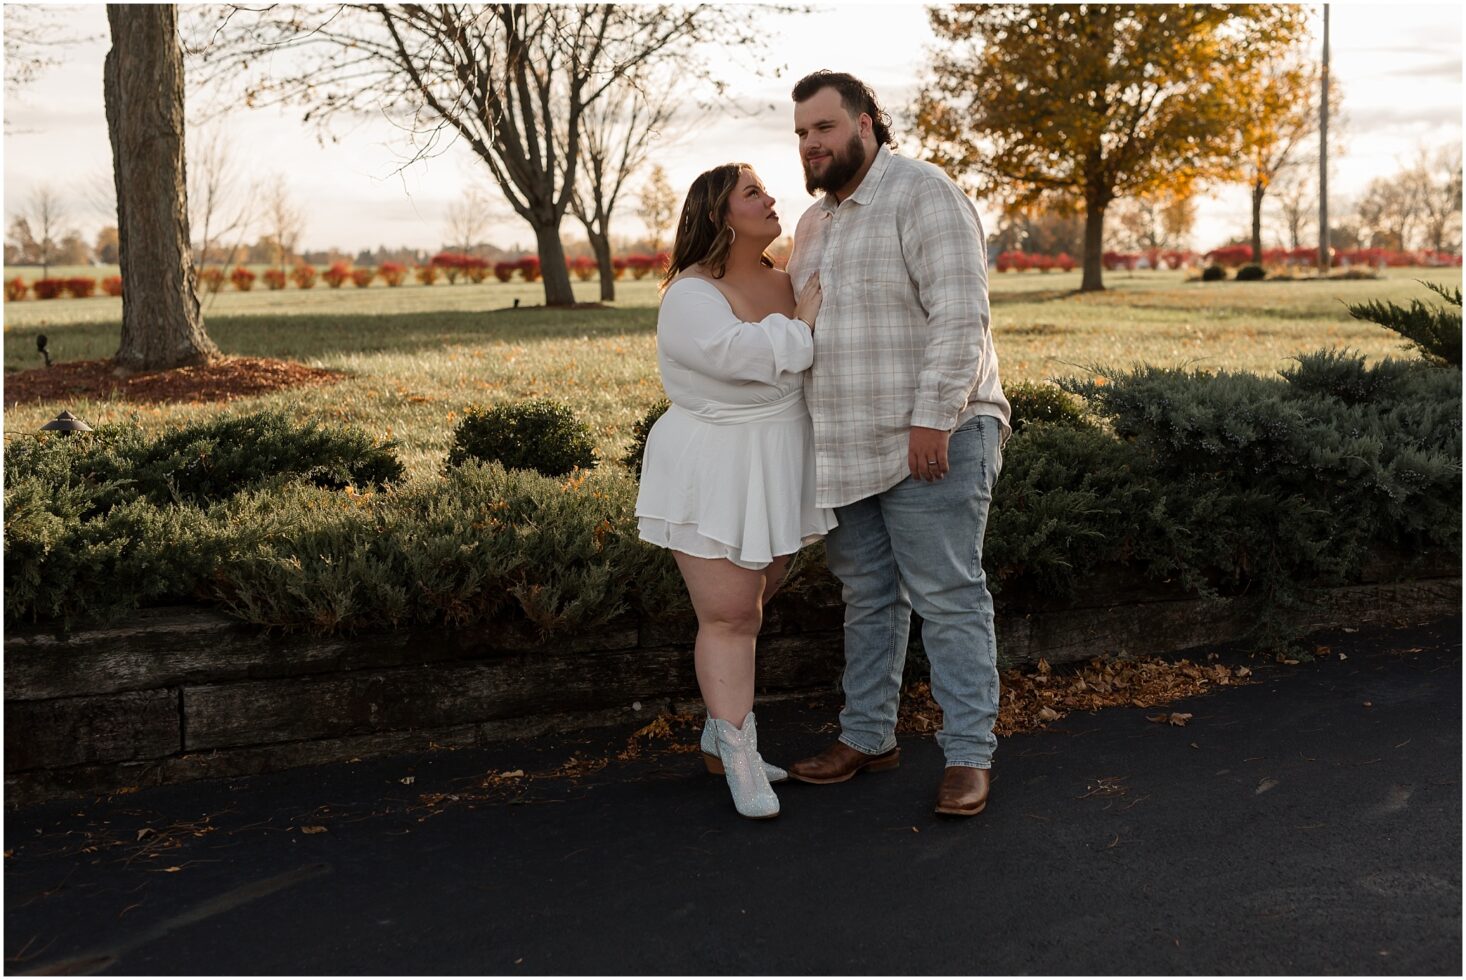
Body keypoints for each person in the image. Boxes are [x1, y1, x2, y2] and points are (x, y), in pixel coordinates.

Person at [784, 70, 1011, 817]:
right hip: (849, 447)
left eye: (824, 127)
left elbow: (960, 311)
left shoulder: (922, 192)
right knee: (869, 597)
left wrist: (933, 417)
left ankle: (969, 756)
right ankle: (868, 736)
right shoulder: (817, 226)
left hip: (934, 436)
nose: (812, 144)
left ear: (866, 123)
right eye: (802, 134)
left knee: (947, 596)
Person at [635, 162, 832, 820]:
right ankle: (740, 757)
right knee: (730, 616)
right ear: (721, 216)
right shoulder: (690, 295)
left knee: (754, 603)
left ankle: (722, 731)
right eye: (753, 193)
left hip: (778, 460)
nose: (771, 197)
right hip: (713, 464)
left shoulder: (788, 280)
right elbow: (740, 356)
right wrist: (802, 327)